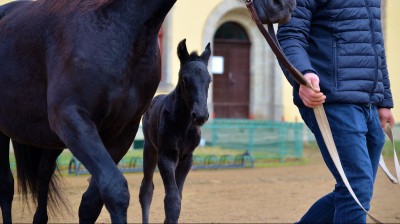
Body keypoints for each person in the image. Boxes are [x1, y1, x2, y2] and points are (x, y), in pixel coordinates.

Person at [276, 0, 395, 223]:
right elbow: (290, 35)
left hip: (369, 101)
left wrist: (384, 100)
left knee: (354, 190)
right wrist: (302, 75)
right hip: (331, 99)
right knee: (356, 187)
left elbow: (375, 45)